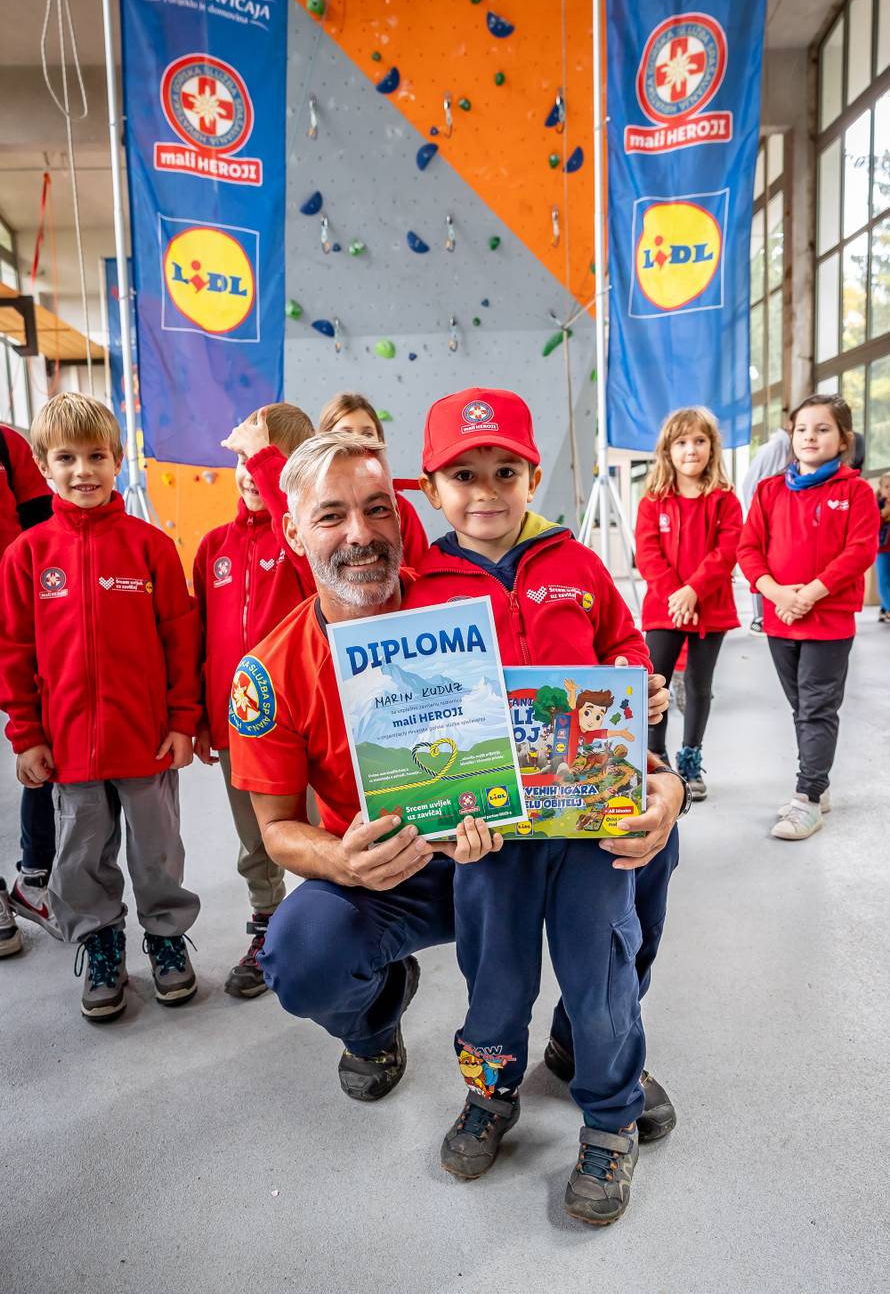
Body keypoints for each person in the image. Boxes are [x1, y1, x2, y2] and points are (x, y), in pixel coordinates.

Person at [228, 432, 684, 1137]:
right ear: (292, 531)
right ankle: (376, 1018)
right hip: (394, 869)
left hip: (511, 841)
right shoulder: (270, 669)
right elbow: (277, 828)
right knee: (302, 952)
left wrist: (666, 784)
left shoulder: (466, 599)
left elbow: (578, 722)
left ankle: (591, 1036)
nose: (360, 534)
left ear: (404, 513)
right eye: (330, 516)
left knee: (647, 841)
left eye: (377, 509)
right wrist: (342, 860)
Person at [405, 387, 685, 1226]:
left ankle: (609, 1118)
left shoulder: (578, 564)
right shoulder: (420, 587)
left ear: (534, 476)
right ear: (431, 488)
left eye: (505, 471)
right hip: (486, 836)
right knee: (493, 979)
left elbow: (623, 644)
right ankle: (491, 1095)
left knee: (600, 977)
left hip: (590, 819)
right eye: (464, 474)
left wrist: (640, 684)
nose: (485, 490)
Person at [0, 393, 202, 1018]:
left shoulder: (150, 547)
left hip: (145, 741)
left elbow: (180, 638)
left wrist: (182, 721)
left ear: (119, 461)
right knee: (80, 855)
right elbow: (13, 651)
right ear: (42, 463)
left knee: (157, 852)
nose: (83, 470)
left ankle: (167, 938)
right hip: (69, 748)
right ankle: (101, 942)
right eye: (66, 458)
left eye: (96, 456)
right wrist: (27, 735)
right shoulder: (26, 557)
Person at [193, 403, 314, 998]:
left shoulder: (300, 540)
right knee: (256, 838)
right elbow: (199, 641)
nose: (250, 473)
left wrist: (276, 472)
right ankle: (266, 918)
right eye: (243, 458)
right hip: (235, 727)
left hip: (299, 726)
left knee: (313, 827)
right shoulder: (213, 546)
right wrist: (200, 718)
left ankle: (330, 917)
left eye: (265, 462)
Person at [738, 393, 880, 840]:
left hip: (828, 620)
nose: (810, 437)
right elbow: (748, 550)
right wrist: (777, 592)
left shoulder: (855, 491)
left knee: (817, 707)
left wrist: (813, 593)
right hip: (782, 616)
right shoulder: (769, 491)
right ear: (791, 436)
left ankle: (808, 798)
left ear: (843, 440)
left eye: (822, 429)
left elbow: (860, 550)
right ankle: (818, 782)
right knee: (802, 707)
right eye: (802, 429)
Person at [635, 407, 742, 800]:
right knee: (655, 686)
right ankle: (655, 755)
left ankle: (691, 758)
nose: (690, 450)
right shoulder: (653, 501)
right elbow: (647, 554)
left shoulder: (725, 500)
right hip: (664, 608)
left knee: (699, 685)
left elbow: (727, 549)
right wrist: (675, 594)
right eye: (681, 442)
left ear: (712, 448)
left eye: (699, 441)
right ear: (667, 451)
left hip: (709, 608)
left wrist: (693, 590)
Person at [0, 423, 59, 954]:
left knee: (41, 747)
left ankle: (35, 877)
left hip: (21, 616)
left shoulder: (6, 444)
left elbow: (45, 536)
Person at [317, 392, 429, 568]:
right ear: (322, 442)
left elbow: (421, 575)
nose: (357, 441)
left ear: (380, 442)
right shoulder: (314, 511)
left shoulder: (401, 508)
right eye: (345, 433)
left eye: (367, 434)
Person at [740, 423, 792, 634]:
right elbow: (757, 484)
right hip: (766, 512)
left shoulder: (780, 446)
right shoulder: (778, 447)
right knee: (761, 563)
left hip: (768, 510)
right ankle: (761, 615)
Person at [876, 471, 890, 622]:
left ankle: (884, 609)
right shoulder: (876, 504)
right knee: (884, 579)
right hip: (882, 550)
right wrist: (883, 515)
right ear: (881, 489)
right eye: (887, 486)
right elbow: (871, 527)